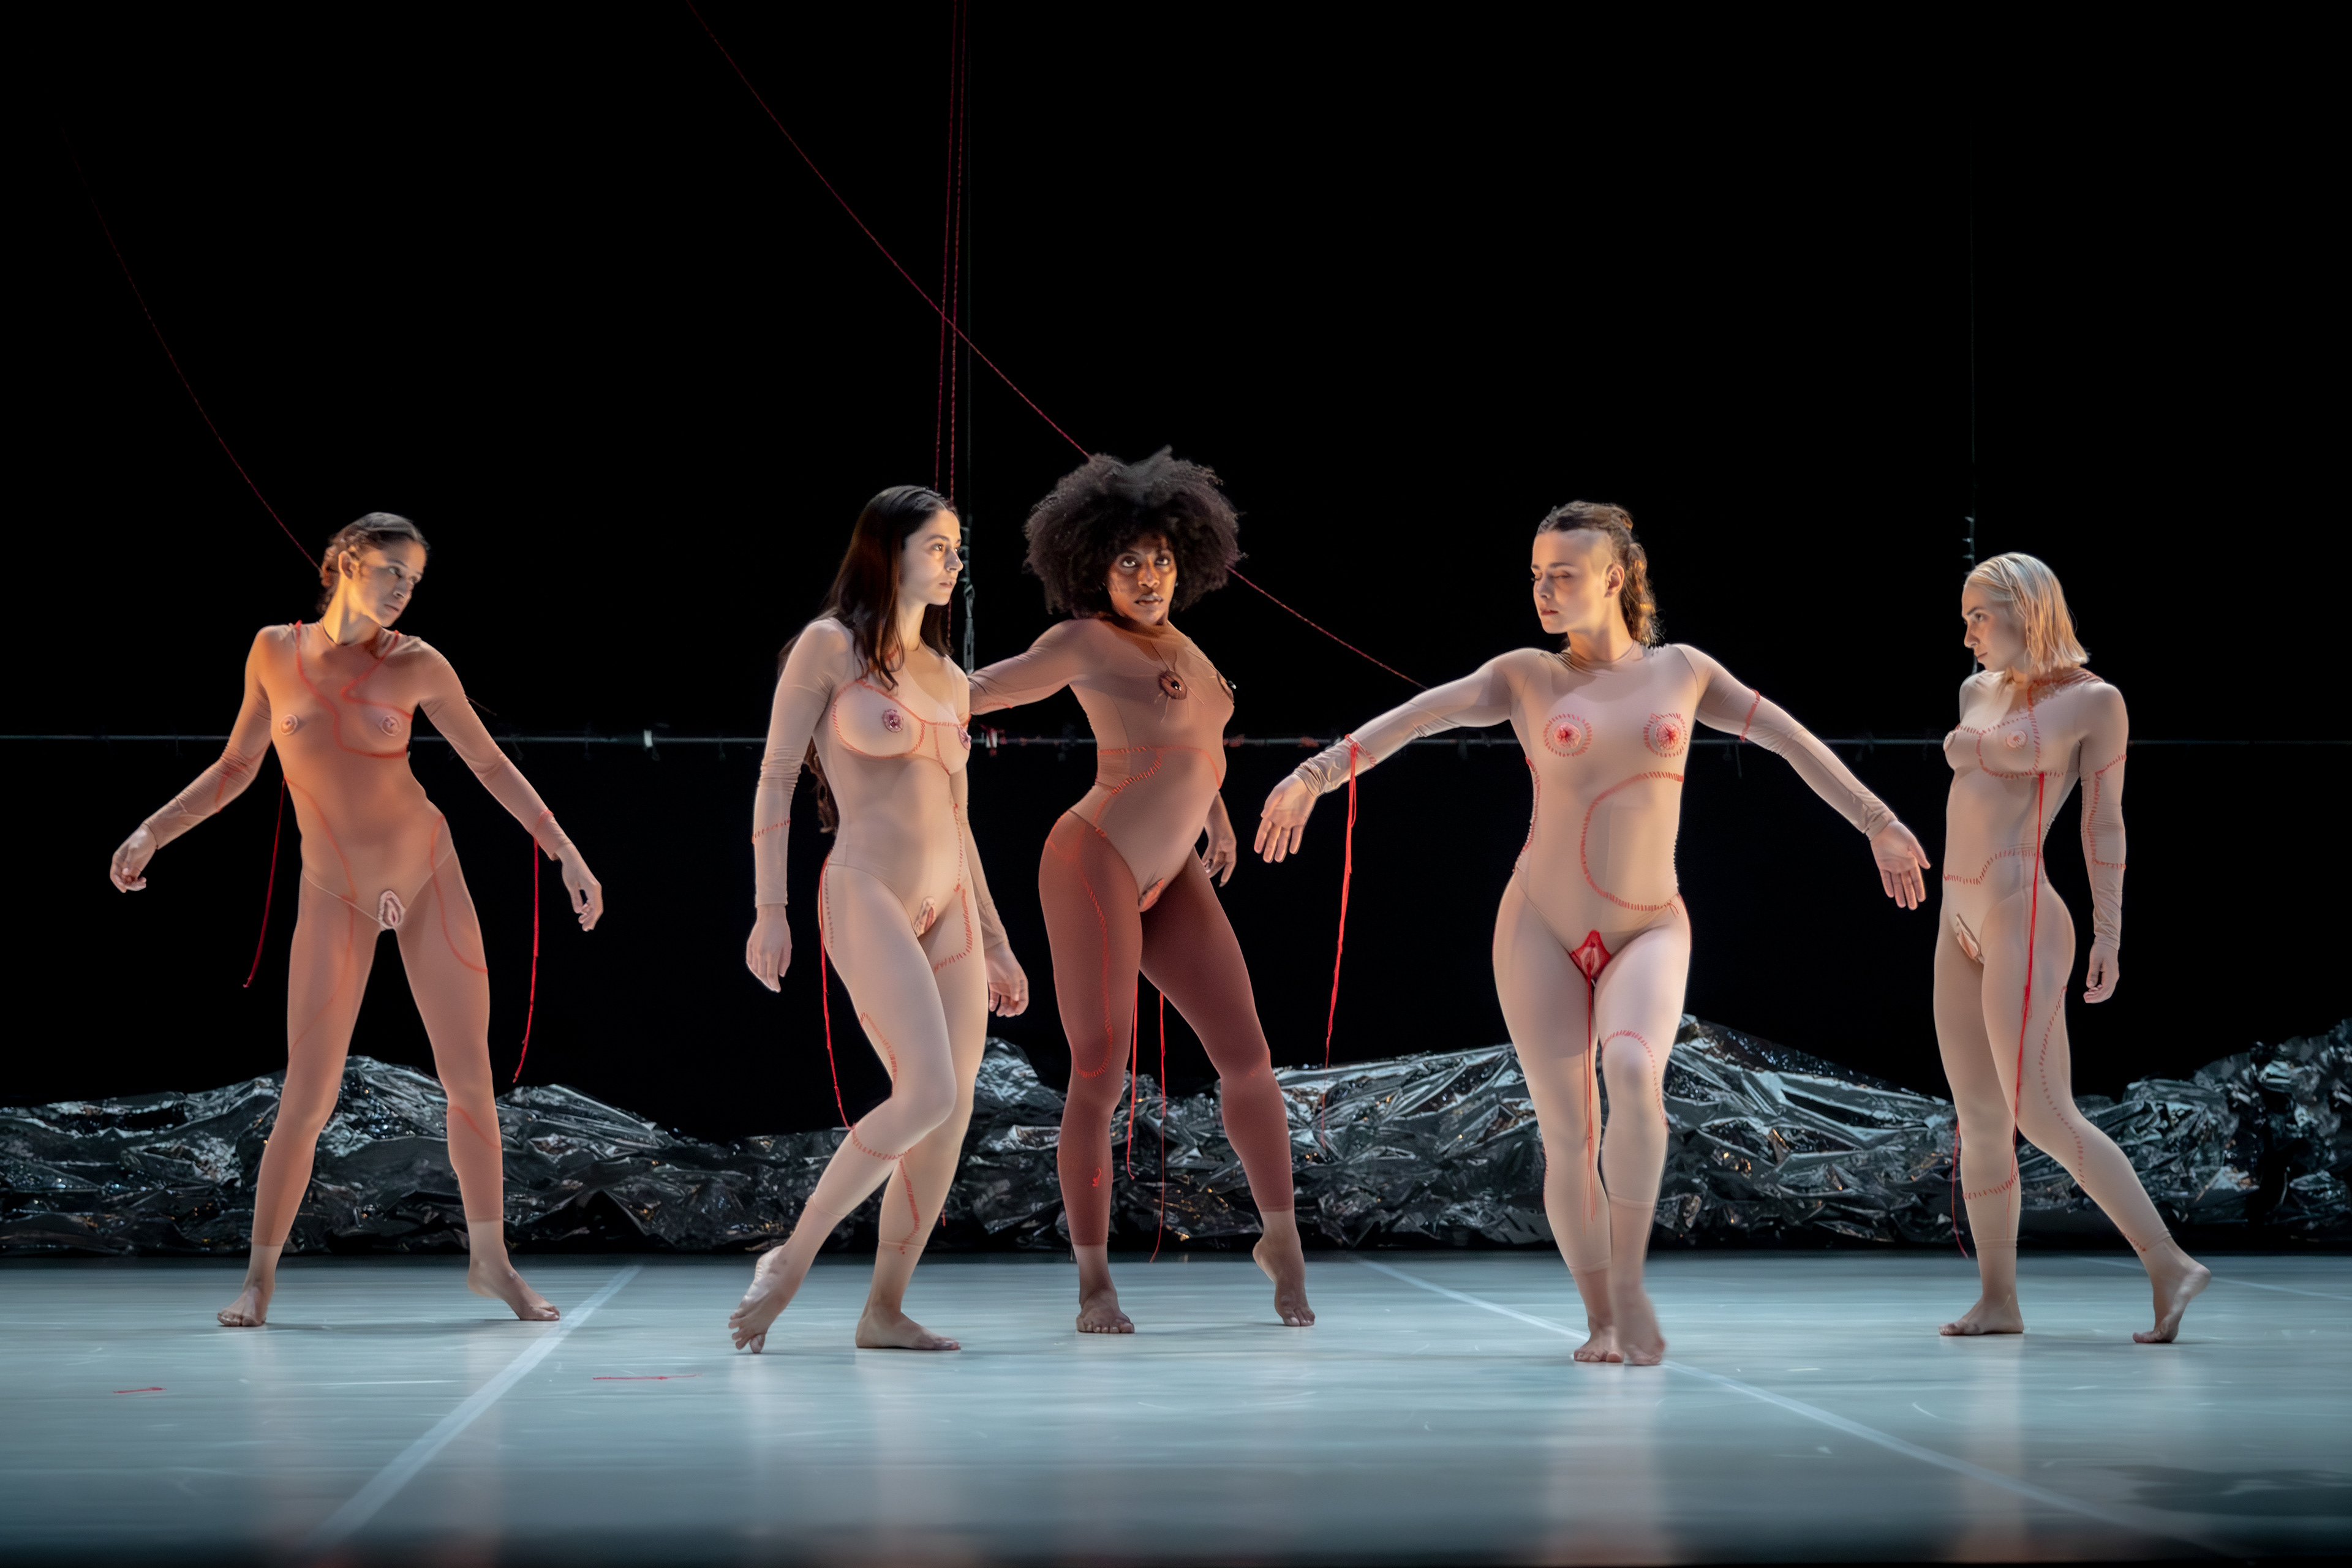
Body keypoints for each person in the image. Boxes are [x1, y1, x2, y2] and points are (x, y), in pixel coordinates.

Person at [1257, 502, 1928, 1363]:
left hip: (1650, 928)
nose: (1543, 589)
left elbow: (1792, 742)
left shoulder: (1684, 671)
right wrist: (1315, 775)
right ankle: (1602, 1319)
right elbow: (1418, 716)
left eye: (1563, 574)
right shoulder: (1524, 676)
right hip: (1539, 924)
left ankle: (1631, 1291)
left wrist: (1878, 821)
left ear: (1614, 578)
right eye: (1536, 574)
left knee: (1634, 1070)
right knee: (1567, 1134)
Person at [108, 512, 604, 1327]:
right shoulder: (273, 650)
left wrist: (564, 851)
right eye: (391, 570)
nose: (404, 589)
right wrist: (153, 829)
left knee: (469, 1080)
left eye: (414, 579)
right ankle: (259, 1279)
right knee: (308, 1095)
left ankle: (492, 1262)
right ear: (344, 563)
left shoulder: (418, 663)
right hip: (333, 893)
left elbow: (487, 763)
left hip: (426, 874)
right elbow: (237, 766)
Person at [969, 450, 1313, 1333]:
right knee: (1101, 1069)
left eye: (1161, 559)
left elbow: (1195, 743)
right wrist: (887, 700)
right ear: (1096, 567)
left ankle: (1280, 1239)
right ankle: (1094, 1282)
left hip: (1174, 869)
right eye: (1129, 562)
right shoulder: (1085, 642)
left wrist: (1217, 814)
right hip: (1096, 859)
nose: (1150, 576)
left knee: (1248, 1057)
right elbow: (974, 694)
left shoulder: (1187, 648)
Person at [731, 485, 1029, 1353]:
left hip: (951, 904)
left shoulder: (949, 678)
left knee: (952, 1111)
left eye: (958, 547)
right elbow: (775, 780)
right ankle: (790, 1260)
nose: (954, 561)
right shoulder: (828, 646)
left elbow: (961, 821)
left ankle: (884, 1311)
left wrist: (999, 941)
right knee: (925, 1092)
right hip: (867, 889)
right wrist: (770, 910)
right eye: (937, 546)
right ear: (887, 551)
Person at [1934, 552, 2207, 1342]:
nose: (1968, 634)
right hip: (1957, 922)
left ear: (2026, 610)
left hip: (2022, 914)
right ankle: (1999, 1301)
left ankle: (2169, 1263)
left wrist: (2110, 933)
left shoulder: (2096, 702)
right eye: (1965, 618)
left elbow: (2104, 823)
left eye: (1979, 616)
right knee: (1981, 1119)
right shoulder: (1977, 691)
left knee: (2043, 1110)